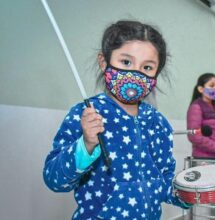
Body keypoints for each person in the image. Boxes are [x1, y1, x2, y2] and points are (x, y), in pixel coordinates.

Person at [43, 20, 190, 220]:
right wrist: (85, 145)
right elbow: (55, 180)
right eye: (126, 62)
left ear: (156, 74)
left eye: (147, 67)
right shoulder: (86, 114)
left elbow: (164, 185)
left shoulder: (158, 123)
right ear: (104, 62)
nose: (135, 73)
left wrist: (193, 189)